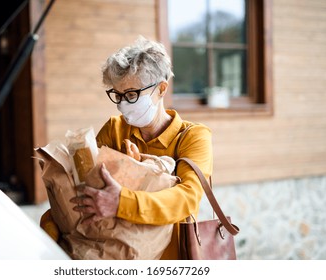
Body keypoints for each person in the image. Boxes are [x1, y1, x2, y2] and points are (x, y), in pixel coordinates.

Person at [40, 36, 213, 260]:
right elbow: (80, 189)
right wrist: (49, 231)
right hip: (116, 255)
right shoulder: (115, 129)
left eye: (131, 94)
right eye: (118, 95)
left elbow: (187, 199)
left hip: (170, 258)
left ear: (161, 89)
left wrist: (121, 203)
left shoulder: (193, 137)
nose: (122, 104)